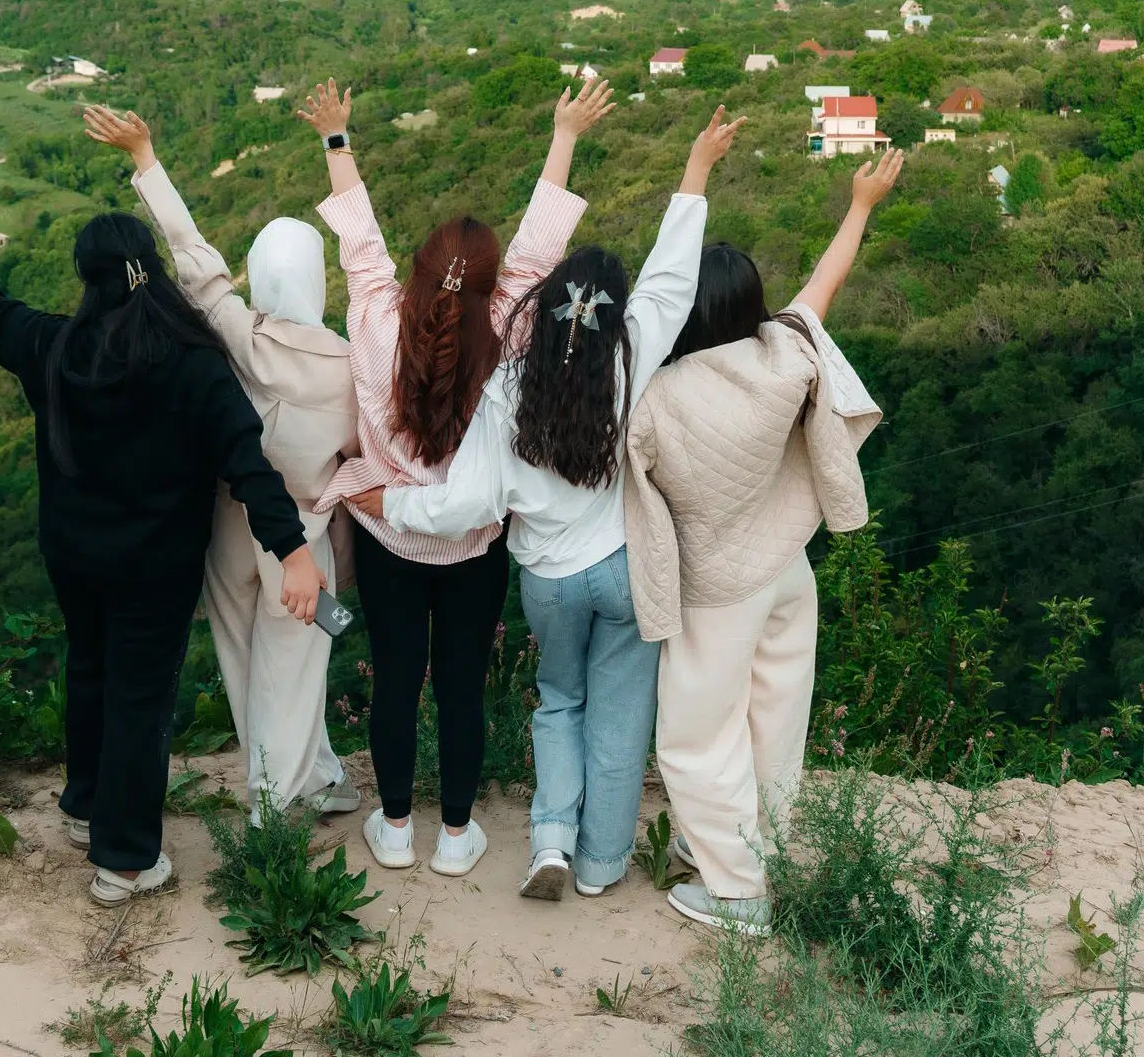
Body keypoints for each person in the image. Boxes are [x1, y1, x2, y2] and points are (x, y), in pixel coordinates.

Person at [0, 185, 322, 908]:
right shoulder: (195, 363)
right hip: (155, 567)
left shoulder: (53, 346)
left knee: (92, 668)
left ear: (87, 280)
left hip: (73, 555)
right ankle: (124, 861)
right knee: (138, 697)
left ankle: (86, 804)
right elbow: (247, 462)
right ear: (151, 270)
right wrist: (294, 553)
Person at [356, 108, 745, 903]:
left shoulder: (507, 385)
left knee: (559, 704)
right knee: (619, 719)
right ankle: (602, 863)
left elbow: (460, 505)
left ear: (543, 307)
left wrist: (385, 502)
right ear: (616, 316)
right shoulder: (632, 360)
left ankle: (551, 844)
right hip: (622, 568)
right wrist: (697, 168)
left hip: (548, 582)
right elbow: (672, 280)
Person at [299, 75, 616, 878]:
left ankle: (395, 829)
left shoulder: (378, 322)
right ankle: (455, 837)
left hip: (388, 537)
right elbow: (540, 250)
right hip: (474, 546)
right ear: (493, 286)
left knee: (396, 684)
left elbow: (359, 245)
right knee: (462, 691)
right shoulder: (512, 330)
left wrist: (337, 138)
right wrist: (565, 134)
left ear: (417, 270)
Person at [621, 148, 902, 935]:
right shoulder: (784, 352)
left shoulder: (656, 398)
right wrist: (860, 205)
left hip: (718, 588)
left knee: (695, 735)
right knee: (775, 718)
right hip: (786, 569)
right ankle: (756, 845)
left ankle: (739, 892)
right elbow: (826, 283)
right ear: (751, 302)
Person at [82, 103, 361, 820]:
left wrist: (146, 158)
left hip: (230, 526)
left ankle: (317, 775)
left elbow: (192, 254)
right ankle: (275, 807)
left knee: (245, 664)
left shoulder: (236, 332)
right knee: (293, 673)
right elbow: (362, 459)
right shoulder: (352, 368)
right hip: (299, 536)